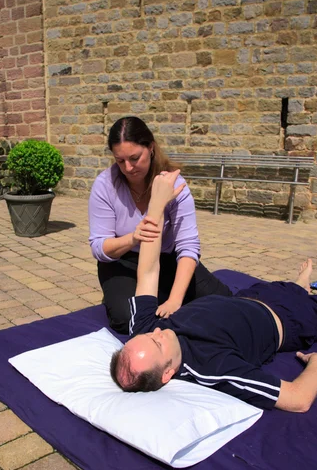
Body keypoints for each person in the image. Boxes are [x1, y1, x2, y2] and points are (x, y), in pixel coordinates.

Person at [110, 170, 317, 412]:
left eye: (148, 336)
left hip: (252, 297)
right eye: (158, 344)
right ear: (167, 373)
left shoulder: (143, 331)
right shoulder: (212, 366)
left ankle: (301, 285)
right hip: (292, 319)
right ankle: (305, 290)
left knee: (288, 287)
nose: (157, 331)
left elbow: (149, 271)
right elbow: (298, 399)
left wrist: (156, 206)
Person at [88, 116, 231, 334]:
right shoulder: (104, 185)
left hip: (168, 260)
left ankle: (164, 294)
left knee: (225, 303)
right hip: (123, 263)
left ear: (151, 148)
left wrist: (175, 300)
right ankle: (126, 293)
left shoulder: (176, 186)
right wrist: (133, 238)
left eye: (135, 158)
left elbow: (188, 247)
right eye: (120, 160)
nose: (128, 167)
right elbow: (99, 248)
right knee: (127, 319)